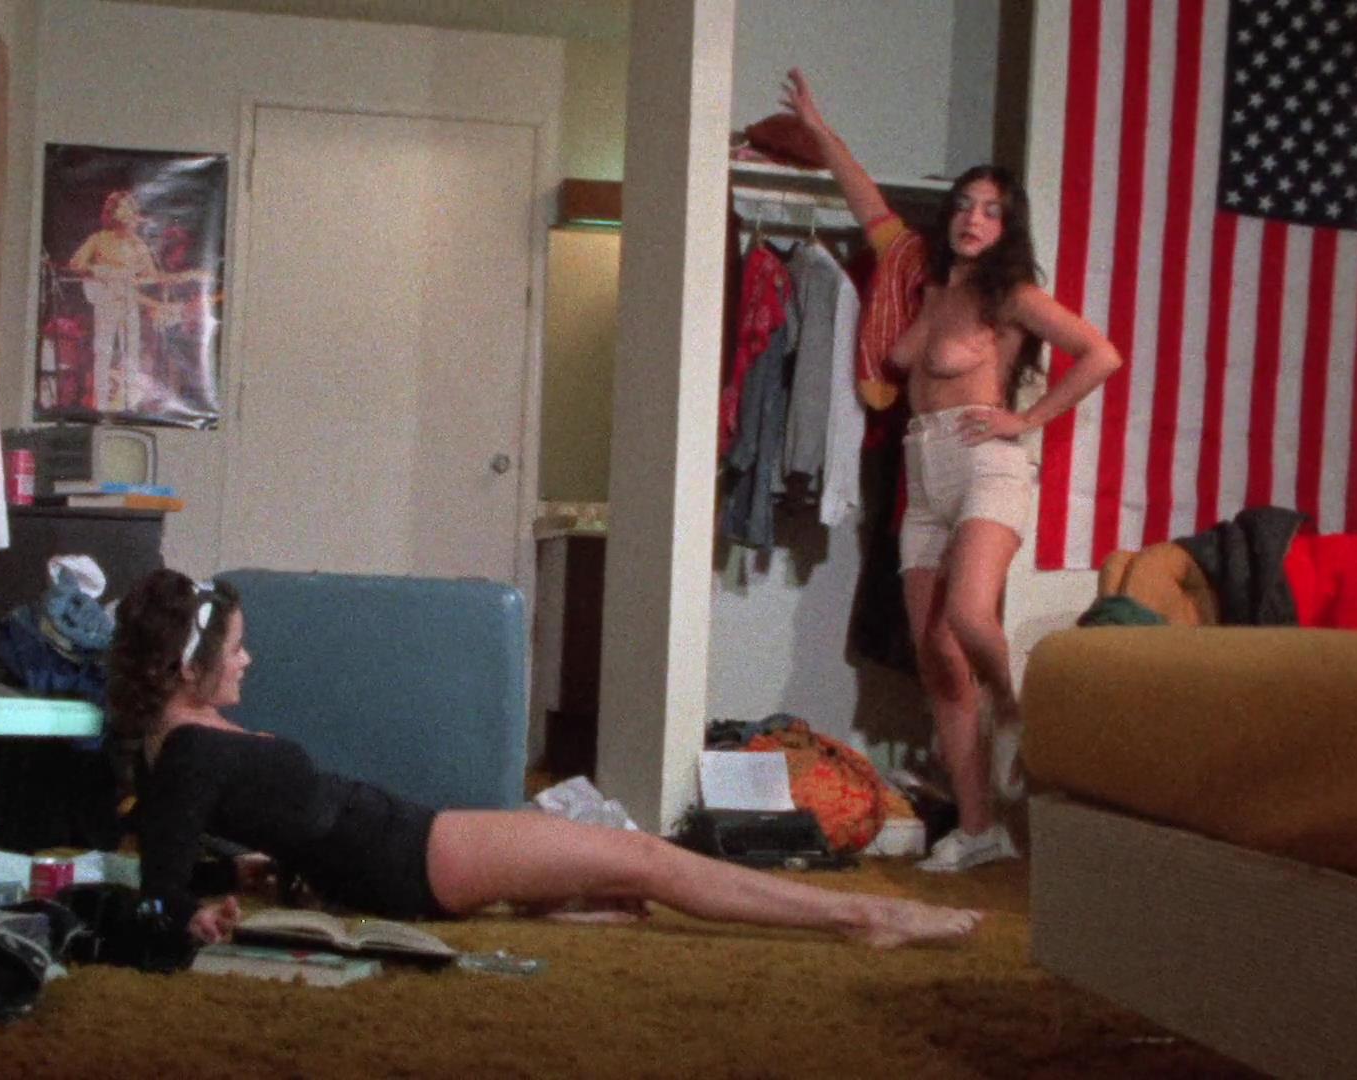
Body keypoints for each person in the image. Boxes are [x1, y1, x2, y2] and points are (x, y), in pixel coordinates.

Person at [108, 569, 983, 949]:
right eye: (236, 649)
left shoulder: (183, 745)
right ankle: (860, 916)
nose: (248, 661)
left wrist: (246, 871)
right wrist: (192, 916)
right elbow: (157, 889)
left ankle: (547, 897)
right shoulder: (187, 754)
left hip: (411, 842)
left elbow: (203, 843)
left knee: (619, 871)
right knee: (648, 858)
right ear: (189, 667)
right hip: (414, 859)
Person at [779, 69, 1124, 872]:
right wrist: (819, 129)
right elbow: (868, 203)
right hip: (923, 471)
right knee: (935, 653)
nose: (973, 218)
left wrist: (1029, 419)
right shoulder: (919, 279)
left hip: (985, 466)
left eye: (991, 210)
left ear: (1009, 226)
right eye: (965, 205)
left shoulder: (1012, 296)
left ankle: (1020, 715)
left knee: (969, 616)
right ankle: (978, 827)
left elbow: (1100, 354)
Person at [68, 190, 159, 412]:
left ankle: (129, 405)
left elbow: (152, 275)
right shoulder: (99, 239)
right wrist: (101, 270)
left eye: (128, 208)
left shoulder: (138, 245)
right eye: (119, 208)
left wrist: (133, 276)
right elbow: (75, 263)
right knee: (103, 351)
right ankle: (101, 405)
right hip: (107, 302)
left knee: (131, 351)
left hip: (128, 302)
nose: (124, 213)